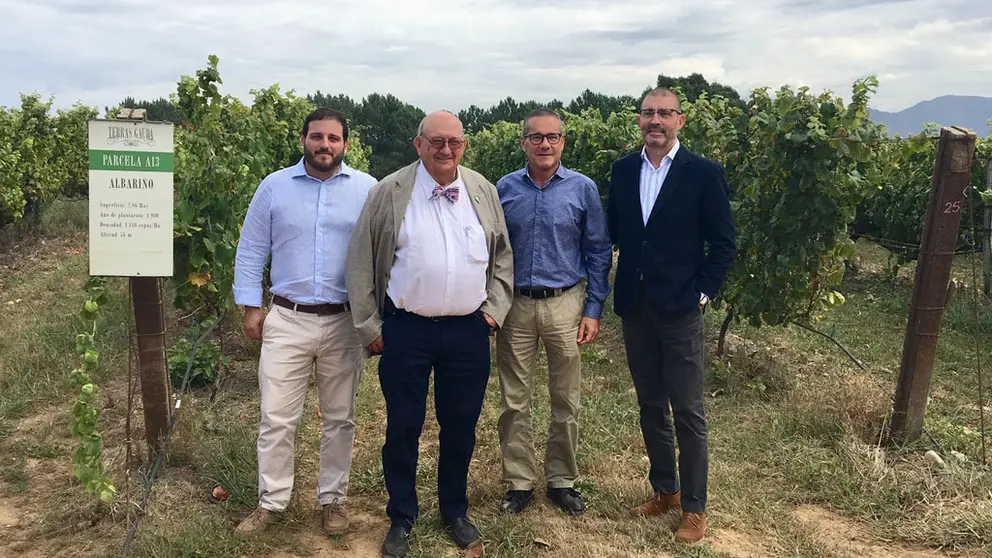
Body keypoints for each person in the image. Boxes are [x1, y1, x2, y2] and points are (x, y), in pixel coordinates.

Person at [344, 110, 513, 558]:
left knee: (460, 426)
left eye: (454, 142)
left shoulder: (482, 190)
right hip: (407, 331)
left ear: (464, 146)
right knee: (403, 426)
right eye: (436, 141)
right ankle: (401, 515)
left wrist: (492, 313)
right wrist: (369, 327)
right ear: (418, 144)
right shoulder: (389, 192)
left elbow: (502, 260)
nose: (445, 150)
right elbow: (360, 263)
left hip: (467, 332)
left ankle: (454, 510)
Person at [232, 108, 377, 536]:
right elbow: (251, 247)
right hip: (288, 317)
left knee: (340, 417)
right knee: (276, 416)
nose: (325, 145)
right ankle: (271, 502)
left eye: (334, 138)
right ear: (304, 140)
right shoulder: (274, 187)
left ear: (345, 145)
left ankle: (333, 501)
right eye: (317, 137)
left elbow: (381, 251)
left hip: (344, 321)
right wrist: (250, 305)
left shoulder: (367, 190)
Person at [605, 88, 736, 543]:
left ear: (680, 120)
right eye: (647, 113)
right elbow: (616, 233)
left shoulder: (703, 173)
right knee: (649, 404)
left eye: (664, 113)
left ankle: (695, 507)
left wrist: (701, 295)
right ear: (638, 121)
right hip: (636, 308)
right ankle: (666, 490)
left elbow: (723, 243)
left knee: (687, 410)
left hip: (680, 308)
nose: (655, 120)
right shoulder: (623, 170)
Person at [493, 108, 612, 516]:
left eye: (553, 137)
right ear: (524, 142)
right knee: (514, 399)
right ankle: (520, 482)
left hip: (565, 303)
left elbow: (598, 250)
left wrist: (593, 308)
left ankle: (562, 480)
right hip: (515, 306)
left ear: (563, 142)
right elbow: (490, 251)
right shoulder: (504, 189)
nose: (545, 144)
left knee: (566, 397)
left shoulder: (582, 189)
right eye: (537, 137)